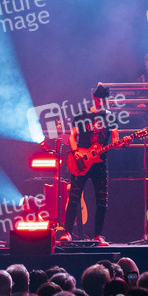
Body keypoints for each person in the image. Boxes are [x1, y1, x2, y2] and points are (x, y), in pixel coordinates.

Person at [59, 85, 121, 245]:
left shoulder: (111, 117)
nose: (101, 103)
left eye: (104, 100)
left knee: (102, 200)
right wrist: (75, 152)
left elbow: (115, 141)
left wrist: (123, 144)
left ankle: (98, 235)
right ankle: (67, 232)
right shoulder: (82, 115)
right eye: (99, 100)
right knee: (74, 197)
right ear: (94, 98)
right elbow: (72, 136)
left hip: (100, 163)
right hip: (81, 161)